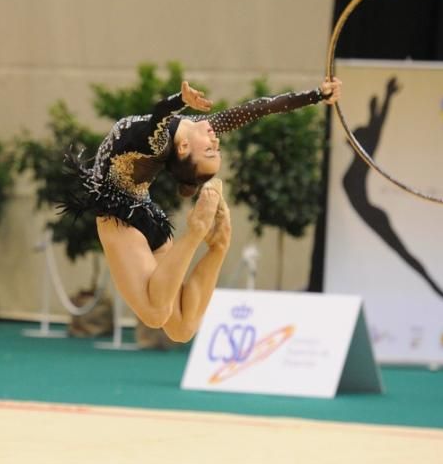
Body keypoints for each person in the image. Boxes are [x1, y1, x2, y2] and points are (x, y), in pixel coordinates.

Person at [64, 76, 341, 342]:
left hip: (124, 214)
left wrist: (179, 101)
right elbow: (259, 108)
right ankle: (208, 239)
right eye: (215, 150)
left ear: (184, 148)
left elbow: (159, 115)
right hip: (130, 215)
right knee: (167, 320)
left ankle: (209, 240)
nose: (216, 142)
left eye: (210, 151)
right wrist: (315, 95)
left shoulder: (158, 138)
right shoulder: (195, 128)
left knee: (178, 326)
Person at [341, 77, 443, 306]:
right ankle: (439, 290)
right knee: (402, 255)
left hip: (373, 215)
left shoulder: (365, 157)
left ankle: (439, 290)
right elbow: (373, 126)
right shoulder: (358, 158)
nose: (352, 141)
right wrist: (373, 109)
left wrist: (387, 97)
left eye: (357, 138)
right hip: (371, 213)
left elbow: (377, 128)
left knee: (404, 255)